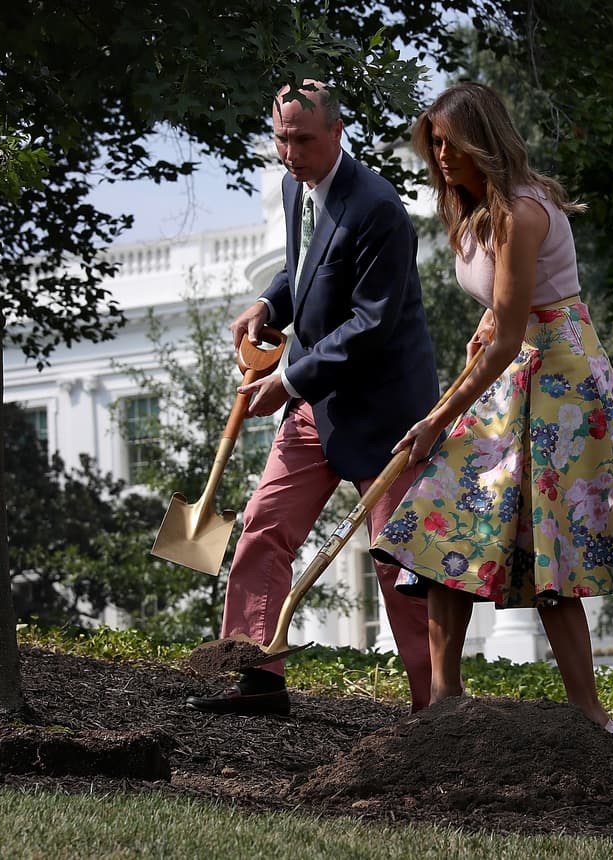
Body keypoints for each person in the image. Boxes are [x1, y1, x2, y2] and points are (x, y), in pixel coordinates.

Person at [369, 82, 613, 732]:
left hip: (556, 384)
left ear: (485, 141)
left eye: (452, 143)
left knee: (549, 546)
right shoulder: (473, 211)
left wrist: (434, 419)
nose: (442, 157)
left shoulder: (522, 214)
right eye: (435, 144)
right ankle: (444, 704)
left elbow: (511, 335)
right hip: (505, 374)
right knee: (444, 525)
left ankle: (591, 717)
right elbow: (498, 328)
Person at [186, 81, 438, 716]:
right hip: (315, 407)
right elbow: (308, 270)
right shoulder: (297, 187)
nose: (290, 152)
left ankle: (436, 711)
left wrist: (291, 381)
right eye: (280, 139)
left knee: (399, 565)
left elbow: (372, 323)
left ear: (337, 131)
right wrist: (271, 301)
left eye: (302, 139)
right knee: (261, 532)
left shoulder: (379, 207)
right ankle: (258, 680)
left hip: (386, 418)